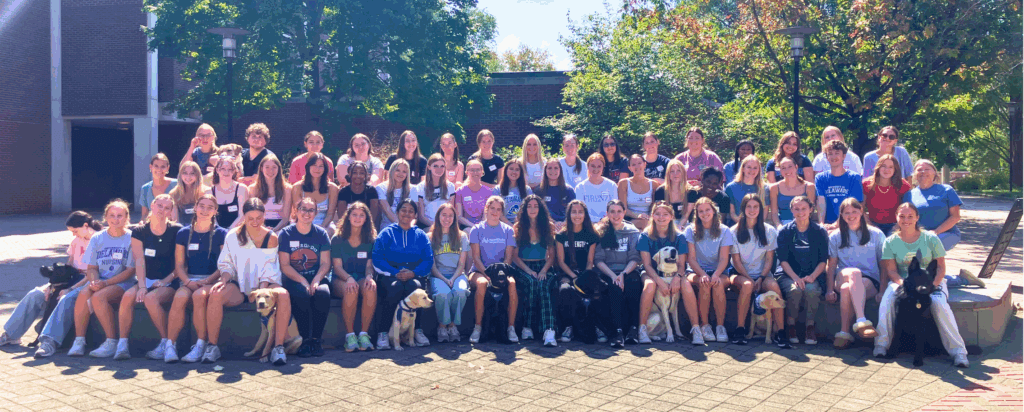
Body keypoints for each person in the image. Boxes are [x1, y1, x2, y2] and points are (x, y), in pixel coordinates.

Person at [875, 203, 969, 367]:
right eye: (902, 216)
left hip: (931, 283)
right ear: (896, 217)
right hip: (903, 282)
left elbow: (940, 267)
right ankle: (881, 345)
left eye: (910, 216)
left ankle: (959, 352)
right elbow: (891, 270)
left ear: (917, 218)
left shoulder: (931, 238)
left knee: (939, 304)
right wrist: (904, 284)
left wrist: (932, 286)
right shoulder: (890, 241)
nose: (906, 220)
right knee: (887, 300)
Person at [200, 198, 290, 365]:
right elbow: (226, 264)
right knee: (216, 294)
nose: (255, 222)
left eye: (259, 218)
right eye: (250, 218)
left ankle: (278, 348)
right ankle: (212, 346)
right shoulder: (232, 236)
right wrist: (224, 279)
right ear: (243, 216)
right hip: (238, 285)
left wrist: (261, 292)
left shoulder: (272, 237)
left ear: (264, 216)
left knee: (283, 295)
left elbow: (269, 269)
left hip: (266, 285)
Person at [7, 212, 96, 356]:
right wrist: (52, 285)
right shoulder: (77, 241)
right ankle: (11, 335)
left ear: (86, 226)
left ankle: (49, 341)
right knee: (35, 294)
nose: (74, 235)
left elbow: (92, 272)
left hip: (88, 279)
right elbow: (68, 267)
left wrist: (70, 289)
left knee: (66, 298)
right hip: (73, 278)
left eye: (75, 231)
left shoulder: (99, 240)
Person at [115, 194, 183, 360]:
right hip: (146, 280)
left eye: (167, 208)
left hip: (169, 281)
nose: (162, 210)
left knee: (151, 299)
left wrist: (165, 281)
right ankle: (122, 344)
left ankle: (166, 343)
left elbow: (181, 264)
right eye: (160, 206)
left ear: (171, 211)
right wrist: (143, 285)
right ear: (152, 206)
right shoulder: (138, 231)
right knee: (127, 296)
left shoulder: (177, 230)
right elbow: (139, 260)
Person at [68, 200, 136, 358]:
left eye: (120, 216)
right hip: (100, 280)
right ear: (106, 217)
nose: (115, 219)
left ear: (127, 218)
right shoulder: (97, 238)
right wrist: (93, 281)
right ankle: (79, 340)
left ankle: (111, 342)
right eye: (112, 215)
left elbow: (130, 271)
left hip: (123, 282)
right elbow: (91, 268)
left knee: (99, 297)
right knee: (84, 293)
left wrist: (105, 283)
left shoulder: (132, 238)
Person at [165, 194, 226, 363]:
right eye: (202, 206)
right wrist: (187, 282)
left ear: (215, 211)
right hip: (189, 279)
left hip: (211, 280)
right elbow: (179, 264)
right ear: (195, 208)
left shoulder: (222, 234)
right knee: (180, 296)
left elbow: (224, 265)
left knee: (199, 296)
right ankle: (170, 345)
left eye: (209, 208)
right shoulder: (183, 233)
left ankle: (200, 345)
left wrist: (207, 282)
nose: (205, 211)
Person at [636, 201, 703, 344]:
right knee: (649, 286)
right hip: (651, 272)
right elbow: (647, 265)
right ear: (652, 216)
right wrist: (659, 281)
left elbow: (681, 264)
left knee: (686, 286)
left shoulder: (679, 237)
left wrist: (677, 278)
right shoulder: (645, 236)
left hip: (675, 273)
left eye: (665, 214)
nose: (661, 217)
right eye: (658, 214)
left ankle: (696, 329)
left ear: (672, 216)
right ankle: (642, 329)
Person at [371, 199, 435, 349]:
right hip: (390, 276)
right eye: (403, 210)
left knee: (415, 289)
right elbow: (377, 258)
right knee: (395, 288)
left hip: (414, 275)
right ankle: (383, 333)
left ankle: (417, 330)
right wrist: (395, 272)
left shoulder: (420, 235)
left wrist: (413, 273)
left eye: (410, 211)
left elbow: (428, 259)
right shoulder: (386, 233)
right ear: (397, 212)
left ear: (415, 215)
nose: (407, 213)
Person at [826, 198, 884, 349]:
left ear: (862, 212)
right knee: (854, 273)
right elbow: (831, 266)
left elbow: (884, 264)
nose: (851, 215)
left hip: (869, 280)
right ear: (841, 216)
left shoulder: (876, 234)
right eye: (846, 213)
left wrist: (883, 290)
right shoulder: (835, 236)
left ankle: (844, 333)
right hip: (842, 275)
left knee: (847, 289)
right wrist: (829, 289)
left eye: (854, 212)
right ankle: (861, 320)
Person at [278, 198, 333, 358]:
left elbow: (325, 263)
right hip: (294, 278)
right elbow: (285, 265)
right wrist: (302, 281)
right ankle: (304, 340)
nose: (306, 213)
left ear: (315, 213)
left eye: (311, 210)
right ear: (296, 211)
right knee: (301, 294)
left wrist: (316, 280)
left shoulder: (321, 233)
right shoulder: (286, 233)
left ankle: (316, 340)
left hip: (316, 276)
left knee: (323, 293)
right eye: (303, 209)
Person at [775, 196, 829, 345]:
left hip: (813, 274)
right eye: (797, 209)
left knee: (811, 290)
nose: (800, 212)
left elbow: (823, 261)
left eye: (804, 208)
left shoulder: (819, 231)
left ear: (811, 209)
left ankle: (809, 326)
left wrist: (812, 277)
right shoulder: (785, 231)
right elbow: (783, 260)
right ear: (791, 210)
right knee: (795, 290)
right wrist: (795, 278)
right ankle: (791, 325)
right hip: (788, 274)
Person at [683, 197, 738, 343]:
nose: (704, 213)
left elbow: (724, 259)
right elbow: (691, 259)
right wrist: (702, 274)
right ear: (697, 214)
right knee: (704, 283)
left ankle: (720, 326)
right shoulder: (690, 230)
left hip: (719, 271)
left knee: (718, 283)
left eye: (707, 210)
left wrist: (715, 274)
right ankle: (705, 325)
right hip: (696, 271)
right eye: (700, 211)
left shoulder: (724, 230)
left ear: (714, 211)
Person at [729, 194, 781, 345]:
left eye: (756, 207)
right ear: (743, 209)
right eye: (749, 207)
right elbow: (736, 261)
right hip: (739, 274)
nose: (752, 210)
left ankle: (780, 331)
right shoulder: (734, 231)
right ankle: (740, 330)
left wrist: (761, 278)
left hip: (762, 275)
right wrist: (751, 279)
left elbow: (770, 259)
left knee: (774, 287)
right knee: (747, 286)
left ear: (761, 209)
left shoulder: (769, 230)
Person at [467, 196, 519, 343]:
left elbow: (508, 258)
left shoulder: (508, 230)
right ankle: (477, 327)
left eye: (498, 209)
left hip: (501, 272)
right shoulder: (476, 229)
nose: (495, 212)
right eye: (492, 208)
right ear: (486, 209)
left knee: (513, 284)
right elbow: (476, 258)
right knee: (483, 284)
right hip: (479, 271)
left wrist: (498, 276)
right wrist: (488, 275)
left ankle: (511, 327)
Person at [510, 195, 559, 346]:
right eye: (529, 206)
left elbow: (552, 256)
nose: (532, 209)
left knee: (543, 284)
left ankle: (549, 330)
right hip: (524, 266)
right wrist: (528, 271)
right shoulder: (518, 227)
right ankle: (527, 326)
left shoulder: (548, 226)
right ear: (525, 209)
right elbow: (515, 257)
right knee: (531, 282)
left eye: (535, 206)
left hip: (543, 265)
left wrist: (544, 270)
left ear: (540, 209)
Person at [330, 201, 378, 352]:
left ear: (366, 219)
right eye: (354, 215)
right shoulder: (337, 239)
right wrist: (348, 278)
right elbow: (337, 267)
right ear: (348, 217)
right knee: (351, 289)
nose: (357, 218)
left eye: (361, 215)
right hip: (342, 278)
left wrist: (370, 276)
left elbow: (369, 265)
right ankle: (350, 336)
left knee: (371, 288)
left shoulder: (370, 240)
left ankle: (364, 335)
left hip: (361, 275)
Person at [593, 200, 641, 346]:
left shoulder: (632, 231)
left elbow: (635, 258)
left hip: (628, 270)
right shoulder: (600, 232)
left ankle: (633, 329)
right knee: (613, 287)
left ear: (624, 212)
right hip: (608, 272)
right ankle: (617, 332)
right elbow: (598, 260)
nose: (616, 215)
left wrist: (623, 275)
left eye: (619, 211)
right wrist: (614, 276)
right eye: (612, 211)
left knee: (633, 284)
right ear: (607, 214)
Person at [552, 200, 600, 342]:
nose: (577, 215)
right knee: (565, 290)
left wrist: (584, 278)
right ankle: (568, 327)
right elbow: (560, 261)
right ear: (569, 214)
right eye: (574, 212)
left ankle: (597, 326)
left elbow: (590, 261)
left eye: (580, 212)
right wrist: (574, 277)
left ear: (585, 215)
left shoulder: (591, 235)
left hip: (586, 273)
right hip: (567, 274)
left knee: (598, 291)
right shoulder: (561, 236)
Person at [427, 203, 470, 343]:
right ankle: (442, 326)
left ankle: (452, 325)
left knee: (460, 291)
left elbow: (462, 264)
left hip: (457, 274)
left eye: (450, 215)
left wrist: (453, 278)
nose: (447, 218)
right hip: (438, 275)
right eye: (444, 215)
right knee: (442, 294)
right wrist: (445, 280)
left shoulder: (462, 236)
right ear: (438, 217)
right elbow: (432, 266)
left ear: (455, 218)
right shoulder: (430, 236)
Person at [904, 159, 963, 251]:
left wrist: (935, 232)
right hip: (919, 236)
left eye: (927, 169)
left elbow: (955, 217)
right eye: (919, 169)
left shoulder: (946, 190)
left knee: (926, 248)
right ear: (914, 174)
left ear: (934, 173)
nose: (923, 172)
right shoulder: (909, 195)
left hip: (946, 234)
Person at [815, 140, 864, 230]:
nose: (833, 157)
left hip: (849, 223)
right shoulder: (820, 178)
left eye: (837, 153)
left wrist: (836, 224)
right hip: (827, 225)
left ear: (843, 156)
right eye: (830, 154)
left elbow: (853, 205)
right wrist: (821, 223)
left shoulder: (854, 177)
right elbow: (821, 202)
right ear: (826, 157)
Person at [862, 154, 910, 235]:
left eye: (891, 167)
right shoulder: (866, 184)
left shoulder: (903, 185)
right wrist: (871, 225)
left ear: (895, 169)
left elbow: (908, 209)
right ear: (878, 167)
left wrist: (899, 225)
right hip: (872, 224)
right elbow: (861, 209)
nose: (886, 170)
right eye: (883, 166)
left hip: (895, 225)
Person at [291, 153, 339, 229]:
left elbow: (330, 215)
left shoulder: (332, 188)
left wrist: (321, 229)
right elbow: (298, 214)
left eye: (321, 166)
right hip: (302, 224)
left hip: (325, 225)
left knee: (330, 231)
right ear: (308, 167)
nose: (317, 169)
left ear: (325, 169)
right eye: (314, 165)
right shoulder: (297, 187)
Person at [249, 154, 292, 232]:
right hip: (259, 226)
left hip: (281, 227)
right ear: (261, 168)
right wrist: (264, 229)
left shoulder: (287, 189)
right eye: (267, 167)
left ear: (279, 169)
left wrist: (274, 230)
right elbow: (253, 215)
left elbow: (285, 218)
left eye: (274, 167)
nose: (270, 171)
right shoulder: (253, 189)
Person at [769, 157, 817, 227]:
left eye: (790, 167)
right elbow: (774, 213)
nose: (787, 170)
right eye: (783, 168)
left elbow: (810, 211)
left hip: (804, 224)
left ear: (796, 167)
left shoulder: (809, 187)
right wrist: (779, 226)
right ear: (780, 170)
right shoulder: (774, 188)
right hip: (783, 224)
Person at [575, 153, 618, 223]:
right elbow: (580, 210)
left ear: (603, 167)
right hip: (587, 224)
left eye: (599, 166)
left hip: (607, 223)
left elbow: (614, 208)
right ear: (588, 166)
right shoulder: (580, 187)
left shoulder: (612, 186)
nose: (596, 169)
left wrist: (604, 220)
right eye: (593, 166)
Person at [536, 158, 576, 233]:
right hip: (545, 227)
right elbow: (537, 212)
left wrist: (564, 223)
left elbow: (573, 211)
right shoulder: (539, 191)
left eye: (556, 168)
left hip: (565, 227)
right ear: (545, 170)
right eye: (550, 168)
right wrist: (551, 223)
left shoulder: (568, 190)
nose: (553, 171)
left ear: (560, 170)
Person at [725, 155, 767, 224]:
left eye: (755, 168)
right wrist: (745, 225)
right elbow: (732, 213)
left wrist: (755, 225)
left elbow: (764, 212)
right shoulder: (731, 187)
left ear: (759, 170)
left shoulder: (764, 188)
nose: (752, 170)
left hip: (758, 226)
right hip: (737, 225)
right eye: (749, 167)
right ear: (743, 168)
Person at [209, 155, 248, 229]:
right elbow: (210, 217)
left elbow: (242, 216)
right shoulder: (209, 192)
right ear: (217, 170)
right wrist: (220, 232)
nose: (226, 172)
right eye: (223, 169)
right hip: (216, 232)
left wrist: (229, 232)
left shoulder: (241, 189)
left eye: (230, 169)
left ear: (234, 171)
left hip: (237, 232)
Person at [336, 160, 381, 225]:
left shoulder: (371, 191)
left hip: (367, 227)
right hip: (347, 227)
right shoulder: (343, 192)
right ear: (349, 174)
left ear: (366, 175)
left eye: (362, 173)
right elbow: (342, 217)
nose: (358, 176)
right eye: (354, 173)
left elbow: (373, 217)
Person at [416, 154, 456, 227]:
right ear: (429, 167)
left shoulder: (450, 187)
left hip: (446, 226)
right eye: (435, 166)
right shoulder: (420, 187)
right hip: (428, 226)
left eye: (442, 166)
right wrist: (436, 227)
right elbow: (421, 217)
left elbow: (451, 212)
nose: (439, 169)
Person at [618, 154, 656, 230]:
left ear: (645, 164)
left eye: (639, 163)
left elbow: (654, 208)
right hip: (629, 220)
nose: (637, 166)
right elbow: (623, 209)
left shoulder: (654, 184)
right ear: (629, 168)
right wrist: (638, 216)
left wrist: (648, 218)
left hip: (649, 221)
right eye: (633, 164)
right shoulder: (623, 183)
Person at [138, 153, 178, 223]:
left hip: (172, 225)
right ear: (151, 167)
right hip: (153, 226)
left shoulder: (177, 184)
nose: (159, 169)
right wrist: (142, 222)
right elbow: (144, 215)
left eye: (163, 166)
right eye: (156, 166)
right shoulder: (145, 188)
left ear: (167, 168)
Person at [454, 160, 494, 228]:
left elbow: (486, 214)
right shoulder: (460, 191)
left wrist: (481, 226)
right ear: (467, 172)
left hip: (484, 225)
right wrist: (474, 226)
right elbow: (459, 216)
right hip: (466, 226)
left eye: (478, 170)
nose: (475, 172)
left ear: (482, 172)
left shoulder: (489, 192)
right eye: (472, 170)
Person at [375, 159, 414, 229]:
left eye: (404, 172)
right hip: (388, 228)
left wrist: (409, 227)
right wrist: (402, 227)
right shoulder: (381, 188)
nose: (400, 174)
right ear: (392, 171)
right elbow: (388, 212)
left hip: (408, 227)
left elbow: (414, 215)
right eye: (397, 170)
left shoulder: (413, 189)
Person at [653, 159, 690, 228]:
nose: (675, 174)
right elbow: (658, 212)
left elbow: (686, 216)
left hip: (685, 223)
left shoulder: (690, 191)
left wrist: (678, 228)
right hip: (666, 223)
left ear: (683, 173)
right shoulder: (661, 191)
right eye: (672, 171)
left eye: (678, 171)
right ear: (668, 174)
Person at [497, 159, 532, 225]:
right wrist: (509, 225)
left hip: (523, 224)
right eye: (511, 169)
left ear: (521, 172)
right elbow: (497, 211)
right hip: (503, 225)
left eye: (517, 170)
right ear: (506, 170)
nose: (514, 172)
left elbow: (531, 209)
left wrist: (519, 223)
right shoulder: (498, 189)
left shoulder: (527, 189)